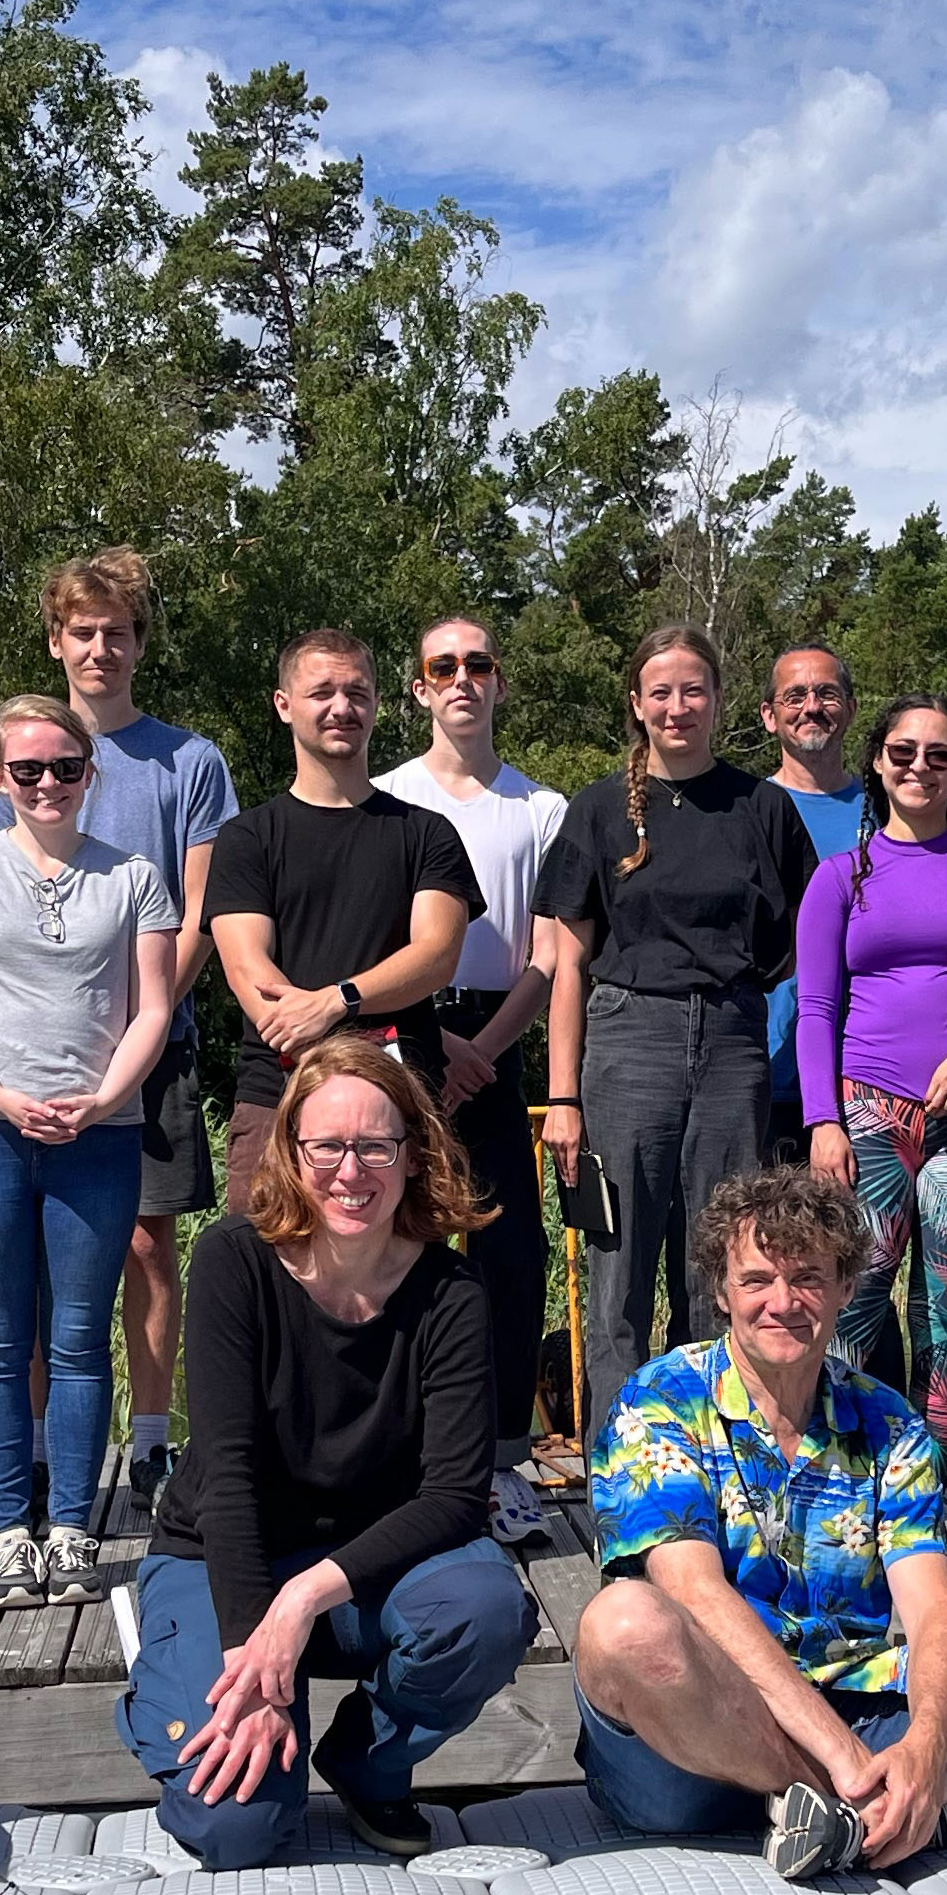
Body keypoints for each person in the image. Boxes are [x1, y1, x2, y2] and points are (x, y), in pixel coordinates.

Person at [571, 1167, 947, 1880]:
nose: (784, 1303)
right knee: (622, 1623)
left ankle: (884, 1808)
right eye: (757, 1282)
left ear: (845, 1288)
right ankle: (904, 1808)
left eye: (808, 1277)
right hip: (697, 1734)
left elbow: (932, 1608)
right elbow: (695, 1597)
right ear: (720, 1293)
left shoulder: (890, 1421)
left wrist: (927, 1750)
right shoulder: (657, 1401)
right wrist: (843, 1760)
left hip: (861, 1701)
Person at [126, 1040, 536, 1866]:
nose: (352, 1172)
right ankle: (174, 1659)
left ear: (413, 1156)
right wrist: (252, 1646)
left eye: (376, 1146)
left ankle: (365, 1761)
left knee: (487, 1609)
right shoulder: (233, 1261)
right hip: (225, 1558)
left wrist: (303, 1600)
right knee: (233, 1830)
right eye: (328, 1147)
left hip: (361, 1573)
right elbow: (229, 1474)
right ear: (293, 1152)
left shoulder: (452, 1294)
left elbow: (455, 1498)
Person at [0, 551, 237, 1514]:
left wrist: (140, 1020)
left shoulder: (191, 760)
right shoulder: (13, 752)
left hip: (153, 1046)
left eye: (116, 632)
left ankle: (153, 1446)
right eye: (81, 632)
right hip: (25, 1056)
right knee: (32, 1255)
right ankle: (41, 1453)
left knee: (144, 1245)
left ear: (138, 643)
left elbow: (203, 907)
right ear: (56, 641)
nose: (99, 648)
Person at [0, 693, 182, 1606]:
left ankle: (72, 1526)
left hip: (96, 1136)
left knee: (78, 1341)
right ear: (0, 778)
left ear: (89, 776)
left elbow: (154, 1006)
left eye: (65, 769)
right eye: (26, 770)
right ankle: (9, 1533)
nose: (47, 784)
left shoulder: (136, 875)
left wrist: (106, 1097)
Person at [539, 626, 822, 1424]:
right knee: (617, 1270)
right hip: (627, 1038)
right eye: (660, 692)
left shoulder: (762, 807)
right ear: (637, 704)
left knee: (726, 1263)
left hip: (733, 1040)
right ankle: (622, 1479)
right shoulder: (598, 810)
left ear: (720, 701)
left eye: (693, 690)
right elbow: (567, 964)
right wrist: (563, 1097)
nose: (677, 706)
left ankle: (718, 1457)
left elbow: (802, 936)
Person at [375, 616, 572, 1546]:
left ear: (499, 681)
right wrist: (431, 1042)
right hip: (399, 1042)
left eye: (478, 664)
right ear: (418, 689)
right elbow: (373, 947)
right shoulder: (382, 800)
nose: (461, 679)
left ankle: (500, 1460)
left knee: (506, 1255)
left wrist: (481, 1049)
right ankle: (403, 1453)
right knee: (394, 1243)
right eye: (441, 666)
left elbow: (547, 957)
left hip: (496, 1042)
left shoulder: (542, 811)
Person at [794, 694, 947, 1470]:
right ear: (878, 763)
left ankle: (928, 1502)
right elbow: (817, 1008)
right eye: (902, 753)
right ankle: (851, 1487)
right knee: (852, 1301)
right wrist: (823, 1120)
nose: (918, 767)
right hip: (867, 1114)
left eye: (938, 755)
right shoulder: (840, 876)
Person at [208, 630, 480, 1208]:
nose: (342, 708)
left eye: (357, 693)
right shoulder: (248, 838)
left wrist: (338, 1001)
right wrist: (312, 1047)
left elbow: (436, 954)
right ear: (284, 705)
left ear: (377, 705)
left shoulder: (426, 833)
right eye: (322, 693)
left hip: (401, 1095)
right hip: (277, 1091)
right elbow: (245, 965)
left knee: (406, 1281)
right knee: (265, 1274)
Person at [757, 646, 874, 1154]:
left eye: (826, 693)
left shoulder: (894, 811)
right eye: (795, 695)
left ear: (849, 707)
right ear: (769, 715)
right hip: (766, 1077)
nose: (811, 707)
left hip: (871, 1076)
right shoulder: (743, 813)